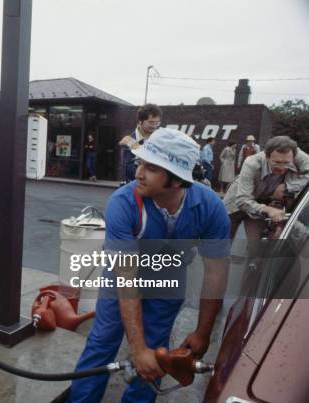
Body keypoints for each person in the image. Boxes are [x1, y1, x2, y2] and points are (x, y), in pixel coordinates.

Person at [68, 128, 230, 403]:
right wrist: (136, 348)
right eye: (140, 163)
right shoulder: (124, 202)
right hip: (124, 274)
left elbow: (216, 271)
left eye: (151, 168)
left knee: (156, 351)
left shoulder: (211, 207)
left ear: (178, 180)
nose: (138, 173)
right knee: (103, 341)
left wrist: (203, 332)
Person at [224, 135, 309, 243]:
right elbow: (242, 200)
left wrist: (288, 187)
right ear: (267, 156)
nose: (282, 167)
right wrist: (269, 210)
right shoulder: (251, 163)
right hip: (235, 204)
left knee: (255, 248)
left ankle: (249, 260)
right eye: (277, 162)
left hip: (261, 206)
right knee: (223, 244)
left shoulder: (295, 153)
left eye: (287, 163)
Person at [120, 104, 162, 184]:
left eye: (157, 123)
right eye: (151, 122)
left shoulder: (159, 138)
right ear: (140, 121)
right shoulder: (128, 141)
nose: (154, 126)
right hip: (137, 188)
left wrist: (138, 148)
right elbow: (129, 171)